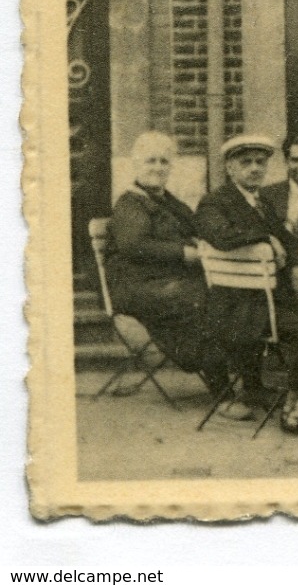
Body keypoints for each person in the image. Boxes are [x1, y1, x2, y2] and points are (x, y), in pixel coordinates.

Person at [191, 133, 298, 440]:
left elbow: (287, 239)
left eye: (260, 163)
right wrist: (264, 238)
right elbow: (220, 236)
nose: (254, 169)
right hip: (238, 306)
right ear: (230, 168)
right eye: (245, 162)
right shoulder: (215, 202)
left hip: (268, 299)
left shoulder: (260, 202)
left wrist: (297, 267)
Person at [102, 131, 247, 419]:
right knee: (202, 300)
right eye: (151, 161)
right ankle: (222, 392)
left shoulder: (169, 202)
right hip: (135, 286)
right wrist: (184, 253)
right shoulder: (130, 204)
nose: (157, 167)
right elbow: (134, 246)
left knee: (226, 294)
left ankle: (247, 384)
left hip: (168, 283)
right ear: (136, 165)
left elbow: (196, 227)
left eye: (164, 161)